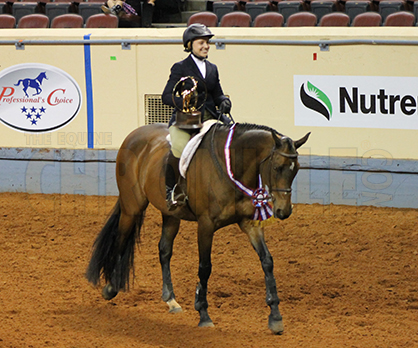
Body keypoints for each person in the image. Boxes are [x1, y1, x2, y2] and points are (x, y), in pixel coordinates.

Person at [162, 23, 232, 211]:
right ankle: (171, 189)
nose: (206, 46)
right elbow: (166, 96)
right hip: (186, 119)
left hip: (210, 117)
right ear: (190, 45)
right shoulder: (180, 67)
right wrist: (183, 101)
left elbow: (217, 93)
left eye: (207, 42)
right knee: (177, 147)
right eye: (201, 42)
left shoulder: (212, 68)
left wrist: (224, 101)